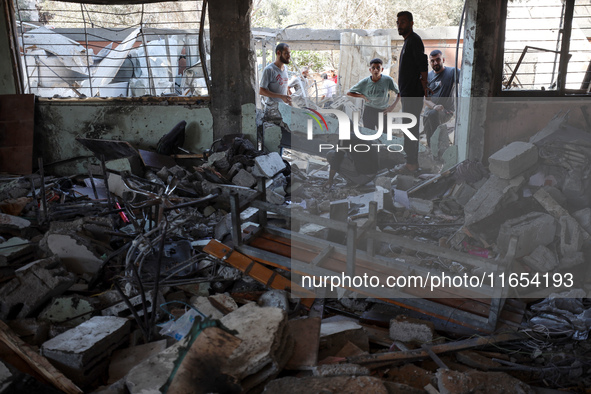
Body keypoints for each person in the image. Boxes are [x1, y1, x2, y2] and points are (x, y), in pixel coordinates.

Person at [395, 11, 431, 174]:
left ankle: (411, 164)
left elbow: (423, 65)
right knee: (408, 127)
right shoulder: (408, 41)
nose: (399, 25)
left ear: (411, 23)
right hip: (408, 93)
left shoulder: (414, 40)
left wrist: (423, 86)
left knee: (410, 128)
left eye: (403, 22)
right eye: (398, 22)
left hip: (413, 94)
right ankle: (410, 162)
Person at [347, 58, 400, 131]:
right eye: (373, 68)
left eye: (378, 68)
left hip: (383, 111)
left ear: (382, 69)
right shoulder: (365, 82)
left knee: (384, 135)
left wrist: (392, 107)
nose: (376, 70)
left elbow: (399, 93)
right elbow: (349, 93)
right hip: (369, 111)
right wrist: (362, 96)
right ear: (370, 70)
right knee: (368, 134)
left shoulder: (388, 80)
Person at [423, 49, 460, 147]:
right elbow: (426, 99)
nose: (435, 63)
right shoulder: (428, 76)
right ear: (430, 62)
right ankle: (432, 151)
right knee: (428, 128)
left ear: (443, 59)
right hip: (431, 110)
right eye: (432, 61)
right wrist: (434, 106)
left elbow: (467, 79)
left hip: (446, 111)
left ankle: (440, 147)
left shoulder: (452, 72)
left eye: (438, 59)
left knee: (433, 114)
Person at [259, 43, 292, 107]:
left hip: (283, 107)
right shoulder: (269, 70)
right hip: (272, 108)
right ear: (278, 53)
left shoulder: (285, 68)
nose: (289, 56)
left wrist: (288, 99)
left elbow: (284, 85)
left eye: (289, 53)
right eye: (286, 53)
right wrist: (281, 96)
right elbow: (261, 91)